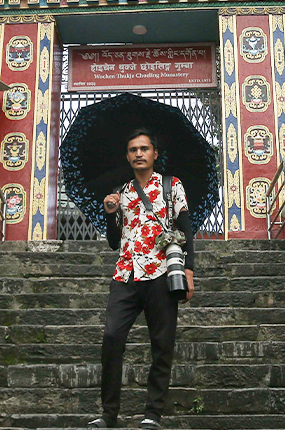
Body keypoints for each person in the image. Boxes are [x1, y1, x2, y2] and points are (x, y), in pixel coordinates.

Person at [88, 129, 197, 430]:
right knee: (112, 338)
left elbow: (186, 228)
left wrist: (189, 270)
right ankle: (108, 414)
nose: (139, 153)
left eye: (144, 149)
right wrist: (110, 213)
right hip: (125, 274)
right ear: (127, 156)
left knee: (162, 344)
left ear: (155, 154)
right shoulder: (119, 192)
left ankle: (153, 413)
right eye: (133, 149)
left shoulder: (171, 185)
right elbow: (114, 242)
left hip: (162, 273)